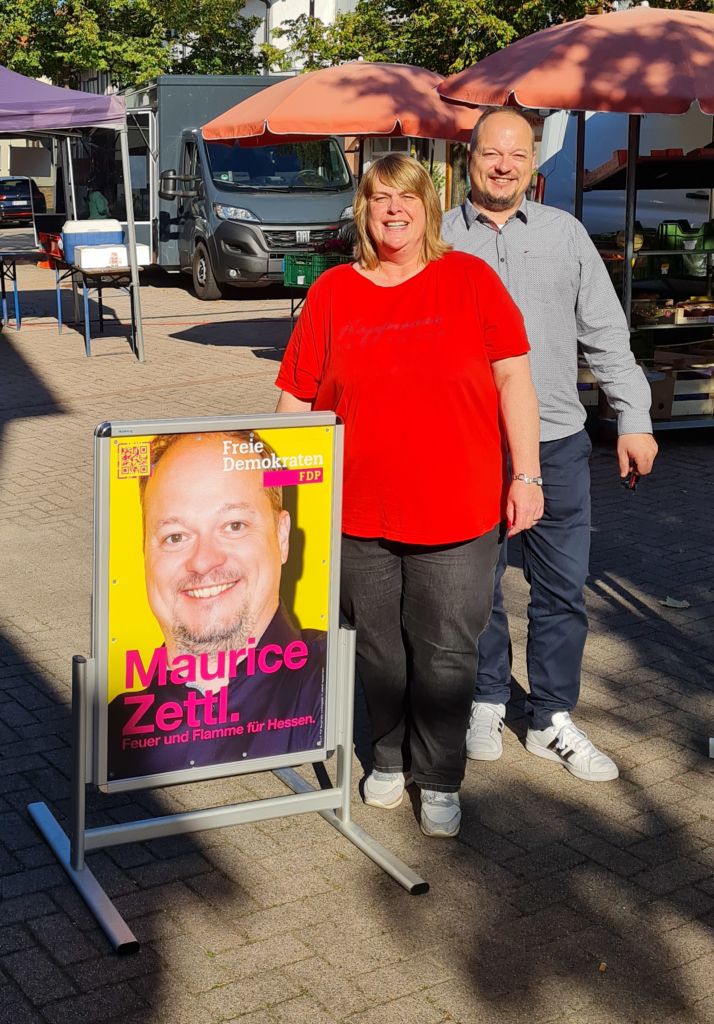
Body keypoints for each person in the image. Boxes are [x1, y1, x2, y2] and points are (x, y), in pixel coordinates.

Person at [275, 153, 542, 838]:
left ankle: (441, 774)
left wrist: (529, 475)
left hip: (458, 508)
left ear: (429, 206)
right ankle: (388, 758)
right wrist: (277, 485)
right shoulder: (334, 291)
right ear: (363, 211)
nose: (393, 209)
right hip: (357, 510)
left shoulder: (469, 279)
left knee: (448, 652)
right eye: (378, 197)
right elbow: (296, 397)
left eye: (407, 197)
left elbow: (514, 379)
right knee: (380, 650)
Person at [442, 107, 658, 782]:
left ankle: (551, 716)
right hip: (470, 445)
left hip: (559, 439)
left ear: (532, 162)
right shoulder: (439, 238)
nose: (503, 165)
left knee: (561, 588)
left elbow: (605, 334)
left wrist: (635, 417)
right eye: (491, 153)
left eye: (517, 153)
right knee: (473, 586)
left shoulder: (566, 236)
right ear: (468, 158)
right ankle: (486, 697)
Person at [107, 430, 326, 781]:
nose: (204, 561)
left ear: (281, 537)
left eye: (234, 525)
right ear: (145, 552)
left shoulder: (327, 690)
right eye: (175, 536)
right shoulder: (114, 728)